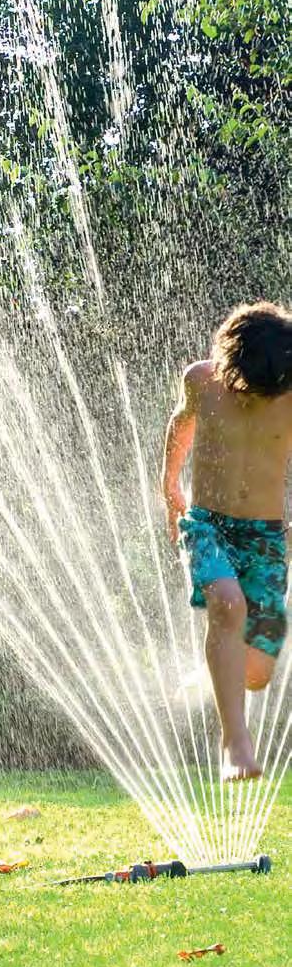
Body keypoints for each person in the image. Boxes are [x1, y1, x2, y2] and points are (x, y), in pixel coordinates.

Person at [162, 301, 292, 781]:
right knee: (227, 604)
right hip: (207, 523)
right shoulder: (201, 380)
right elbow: (182, 423)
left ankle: (220, 670)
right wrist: (169, 481)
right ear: (229, 363)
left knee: (257, 674)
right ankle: (234, 743)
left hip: (266, 537)